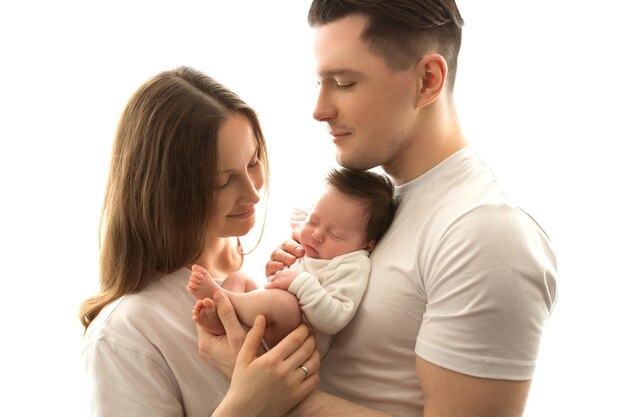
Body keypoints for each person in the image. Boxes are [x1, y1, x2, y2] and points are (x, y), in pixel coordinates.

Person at [195, 1, 559, 417]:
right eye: (320, 82)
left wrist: (266, 389)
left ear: (427, 81)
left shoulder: (485, 235)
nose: (319, 109)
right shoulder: (379, 205)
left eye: (345, 83)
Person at [79, 66, 321, 417]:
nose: (253, 193)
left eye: (253, 162)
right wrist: (245, 407)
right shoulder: (127, 335)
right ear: (167, 193)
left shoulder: (278, 267)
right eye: (222, 182)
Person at [187, 168, 397, 357]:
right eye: (313, 221)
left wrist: (299, 282)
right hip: (266, 321)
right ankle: (221, 318)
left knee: (284, 303)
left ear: (367, 246)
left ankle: (223, 299)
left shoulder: (352, 264)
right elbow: (277, 276)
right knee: (240, 278)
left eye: (335, 234)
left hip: (298, 342)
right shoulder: (311, 245)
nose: (316, 235)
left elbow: (335, 318)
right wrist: (277, 271)